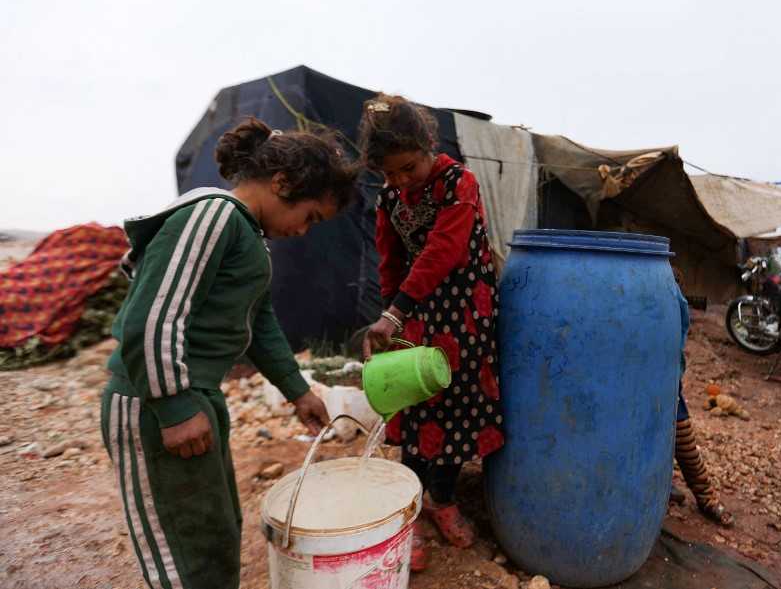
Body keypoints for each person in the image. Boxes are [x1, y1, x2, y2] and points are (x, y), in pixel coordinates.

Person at [101, 118, 358, 589]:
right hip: (153, 403)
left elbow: (260, 324)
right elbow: (152, 317)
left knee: (215, 531)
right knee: (185, 550)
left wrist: (298, 390)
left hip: (195, 396)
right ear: (282, 183)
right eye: (310, 217)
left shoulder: (247, 237)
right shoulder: (213, 216)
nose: (304, 232)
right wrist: (174, 406)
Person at [360, 94, 503, 571]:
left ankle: (442, 498)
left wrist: (397, 311)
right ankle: (412, 507)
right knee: (416, 403)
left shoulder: (458, 182)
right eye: (389, 173)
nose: (400, 180)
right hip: (413, 313)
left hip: (465, 312)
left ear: (427, 147)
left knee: (458, 403)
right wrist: (389, 318)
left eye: (407, 168)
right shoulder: (388, 198)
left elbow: (444, 249)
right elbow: (391, 261)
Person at [671, 271, 734, 526]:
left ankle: (705, 496)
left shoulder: (675, 301)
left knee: (680, 433)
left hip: (662, 380)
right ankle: (659, 486)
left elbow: (675, 347)